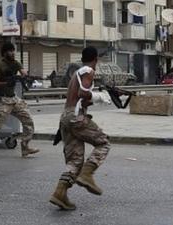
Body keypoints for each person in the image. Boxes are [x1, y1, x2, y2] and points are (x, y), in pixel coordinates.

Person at [49, 47, 111, 210]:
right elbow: (83, 92)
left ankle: (60, 193)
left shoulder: (77, 72)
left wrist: (97, 99)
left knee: (75, 160)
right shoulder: (88, 71)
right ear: (95, 59)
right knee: (103, 143)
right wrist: (98, 96)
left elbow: (79, 97)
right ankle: (87, 174)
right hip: (76, 117)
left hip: (66, 117)